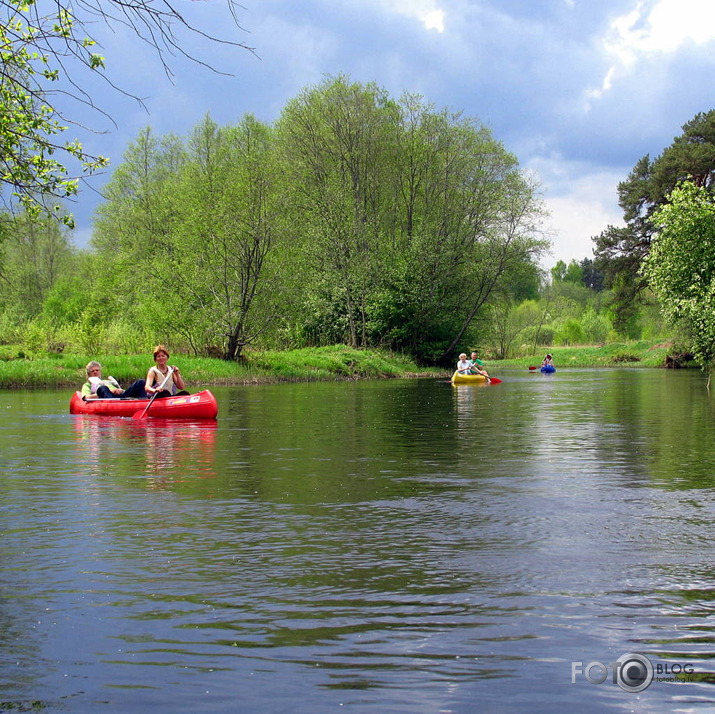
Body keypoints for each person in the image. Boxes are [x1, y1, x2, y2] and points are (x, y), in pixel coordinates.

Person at [81, 361, 147, 400]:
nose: (95, 372)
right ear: (89, 374)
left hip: (118, 397)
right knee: (102, 388)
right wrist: (105, 393)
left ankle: (144, 401)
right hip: (108, 399)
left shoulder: (107, 382)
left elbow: (119, 392)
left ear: (100, 372)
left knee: (140, 382)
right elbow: (87, 397)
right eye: (92, 371)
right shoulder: (87, 385)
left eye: (97, 370)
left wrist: (119, 391)